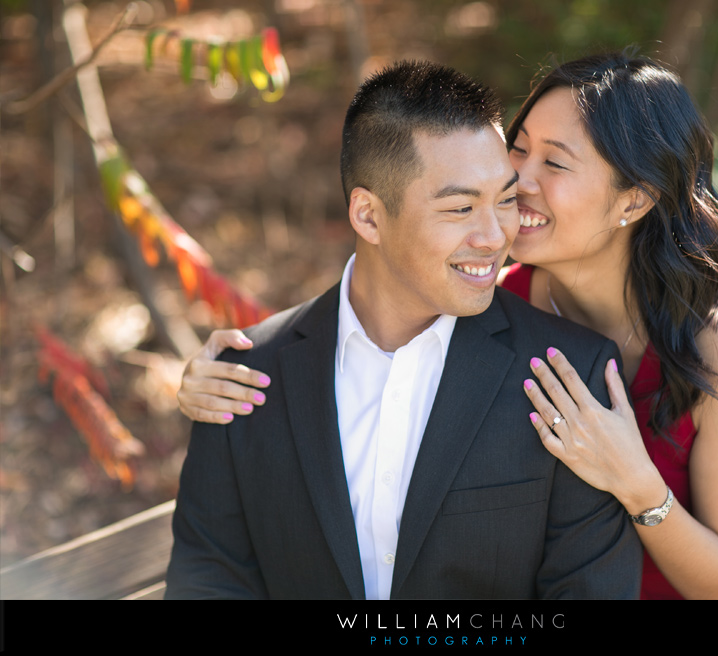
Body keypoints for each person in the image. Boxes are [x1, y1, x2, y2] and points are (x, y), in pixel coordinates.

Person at [177, 51, 718, 600]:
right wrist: (227, 369)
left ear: (632, 198)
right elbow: (370, 312)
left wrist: (635, 481)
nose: (517, 181)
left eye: (557, 162)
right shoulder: (485, 300)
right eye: (518, 149)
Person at [165, 60, 641, 600]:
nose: (494, 235)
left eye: (505, 200)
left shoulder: (569, 376)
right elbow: (208, 580)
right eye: (461, 207)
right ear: (368, 216)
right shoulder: (242, 380)